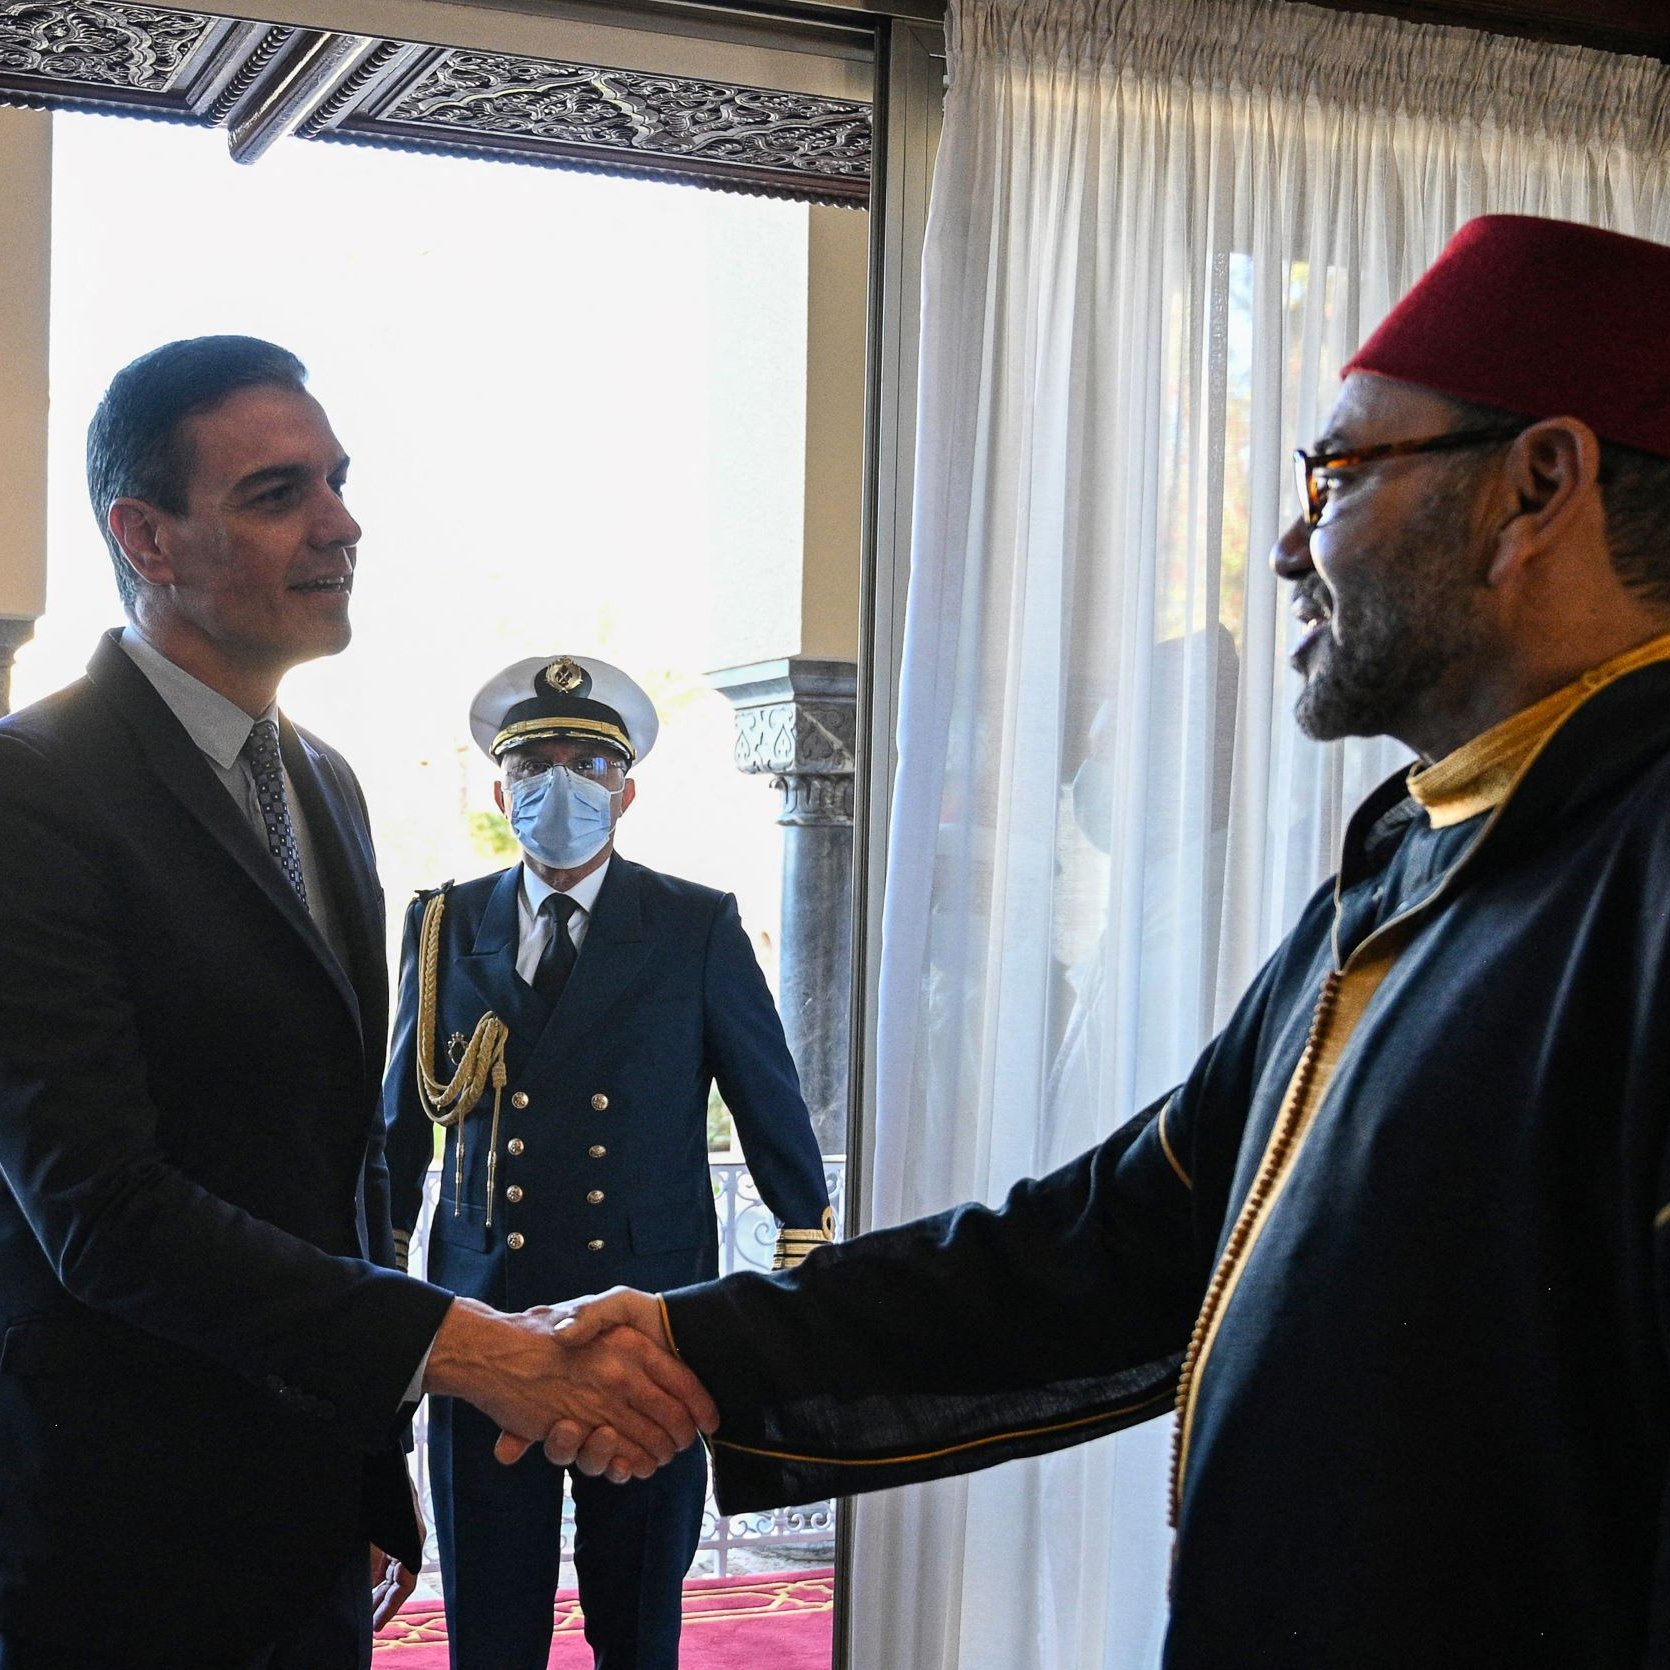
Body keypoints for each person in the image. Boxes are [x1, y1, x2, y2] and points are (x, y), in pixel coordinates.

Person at [530, 216, 1670, 1665]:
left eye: (1335, 474)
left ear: (1537, 484)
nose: (1281, 547)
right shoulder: (1409, 864)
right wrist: (695, 1340)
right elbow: (1119, 1237)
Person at [0, 338, 715, 1669]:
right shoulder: (35, 789)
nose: (342, 523)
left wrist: (370, 1474)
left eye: (335, 480)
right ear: (144, 535)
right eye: (279, 494)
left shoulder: (321, 780)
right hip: (112, 1526)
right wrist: (467, 1350)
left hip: (308, 1517)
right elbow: (103, 1212)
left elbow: (335, 1174)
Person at [384, 653, 832, 1670]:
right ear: (501, 792)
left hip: (645, 1311)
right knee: (489, 1614)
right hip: (481, 1315)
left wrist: (803, 1243)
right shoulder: (444, 924)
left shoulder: (692, 923)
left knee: (637, 1610)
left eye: (587, 763)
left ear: (625, 790)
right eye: (535, 763)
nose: (561, 785)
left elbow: (765, 1098)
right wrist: (376, 1289)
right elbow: (401, 1129)